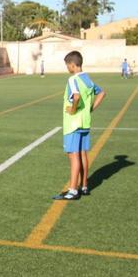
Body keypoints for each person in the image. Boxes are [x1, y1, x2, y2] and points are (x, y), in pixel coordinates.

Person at [53, 51, 106, 201]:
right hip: (85, 123)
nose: (67, 69)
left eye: (67, 66)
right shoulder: (87, 79)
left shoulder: (73, 79)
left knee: (73, 155)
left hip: (73, 124)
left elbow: (76, 96)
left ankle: (72, 190)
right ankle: (84, 186)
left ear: (71, 64)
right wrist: (90, 109)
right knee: (83, 154)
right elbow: (102, 93)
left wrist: (74, 109)